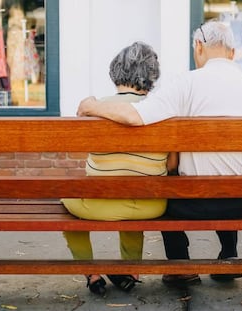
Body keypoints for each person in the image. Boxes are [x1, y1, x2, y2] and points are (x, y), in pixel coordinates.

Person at [77, 20, 242, 286]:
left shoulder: (186, 83)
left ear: (199, 46)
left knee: (166, 190)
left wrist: (91, 106)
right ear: (232, 53)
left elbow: (135, 116)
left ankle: (181, 266)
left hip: (196, 200)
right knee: (232, 172)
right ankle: (229, 255)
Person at [62, 41, 170, 295]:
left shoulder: (96, 108)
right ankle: (131, 269)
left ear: (115, 71)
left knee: (67, 201)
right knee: (134, 190)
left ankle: (91, 273)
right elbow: (172, 163)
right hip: (150, 205)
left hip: (97, 204)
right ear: (152, 76)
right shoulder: (162, 110)